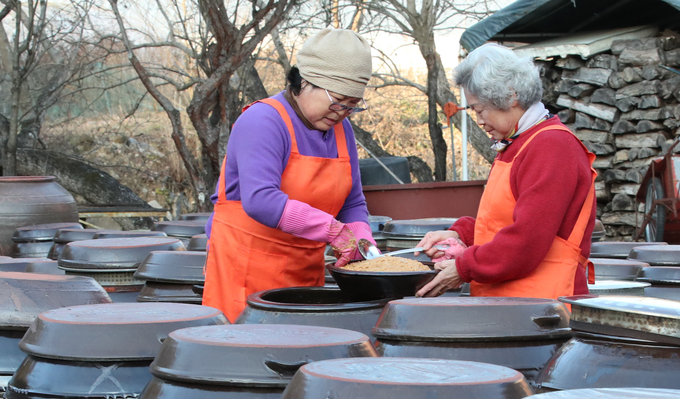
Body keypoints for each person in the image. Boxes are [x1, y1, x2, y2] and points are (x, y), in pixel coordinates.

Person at [202, 29, 376, 321]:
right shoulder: (262, 122)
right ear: (304, 82)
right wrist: (334, 231)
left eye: (352, 105)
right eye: (338, 100)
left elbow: (352, 202)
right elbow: (262, 201)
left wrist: (362, 239)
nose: (343, 112)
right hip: (244, 273)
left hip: (304, 276)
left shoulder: (341, 129)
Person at [416, 44, 596, 299]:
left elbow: (527, 241)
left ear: (510, 96)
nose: (478, 120)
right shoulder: (519, 143)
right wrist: (460, 234)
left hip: (545, 308)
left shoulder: (551, 147)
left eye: (479, 109)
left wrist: (463, 267)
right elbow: (507, 222)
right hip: (513, 305)